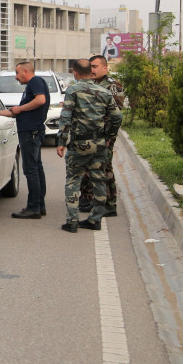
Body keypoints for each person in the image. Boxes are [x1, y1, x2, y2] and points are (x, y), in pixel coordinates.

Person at [56, 58, 123, 232]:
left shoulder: (73, 90)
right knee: (99, 181)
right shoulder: (104, 91)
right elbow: (117, 117)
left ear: (75, 72)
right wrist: (109, 135)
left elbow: (65, 117)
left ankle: (72, 221)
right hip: (99, 143)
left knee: (73, 180)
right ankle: (95, 220)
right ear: (90, 71)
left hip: (79, 143)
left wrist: (62, 141)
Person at [0, 61, 49, 219]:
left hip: (31, 132)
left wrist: (20, 109)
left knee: (31, 169)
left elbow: (40, 100)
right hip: (31, 131)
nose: (16, 77)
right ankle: (39, 205)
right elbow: (14, 112)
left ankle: (33, 207)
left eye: (17, 73)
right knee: (36, 168)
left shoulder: (36, 82)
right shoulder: (31, 86)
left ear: (26, 72)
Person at [79, 55, 126, 218]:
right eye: (90, 67)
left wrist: (108, 137)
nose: (92, 70)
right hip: (89, 134)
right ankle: (88, 198)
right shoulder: (89, 84)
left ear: (105, 68)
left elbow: (116, 114)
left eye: (95, 66)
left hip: (104, 135)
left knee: (105, 168)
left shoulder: (112, 85)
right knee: (88, 167)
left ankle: (110, 205)